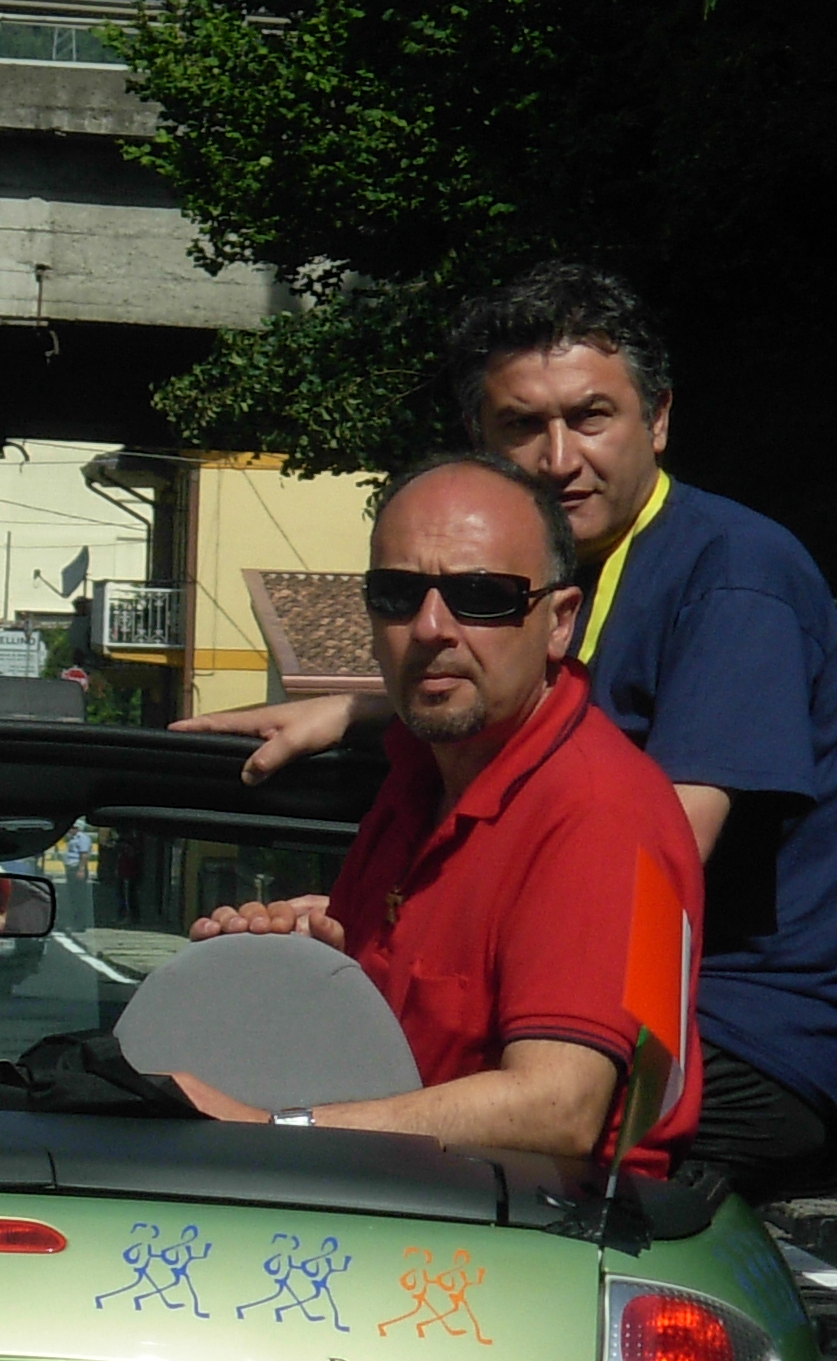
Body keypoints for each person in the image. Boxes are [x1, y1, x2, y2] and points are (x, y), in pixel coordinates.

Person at [180, 265, 837, 1199]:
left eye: (591, 417)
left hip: (755, 1030)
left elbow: (651, 859)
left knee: (499, 1126)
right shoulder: (549, 579)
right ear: (478, 437)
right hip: (613, 994)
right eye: (522, 425)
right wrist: (369, 722)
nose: (559, 459)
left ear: (659, 419)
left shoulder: (733, 576)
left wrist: (282, 1122)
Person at [174, 453, 707, 1180]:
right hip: (397, 1206)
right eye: (397, 593)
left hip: (535, 1229)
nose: (430, 627)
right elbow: (392, 1057)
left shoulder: (599, 810)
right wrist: (288, 971)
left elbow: (559, 1109)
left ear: (560, 623)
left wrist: (275, 1131)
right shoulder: (420, 777)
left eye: (480, 596)